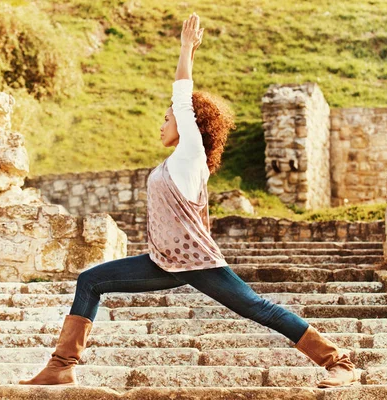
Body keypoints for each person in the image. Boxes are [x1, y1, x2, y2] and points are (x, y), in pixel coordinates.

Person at [19, 12, 359, 388]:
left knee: (258, 308)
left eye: (167, 118)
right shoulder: (176, 162)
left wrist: (185, 50)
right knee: (90, 281)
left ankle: (338, 361)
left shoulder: (190, 154)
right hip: (164, 262)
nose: (162, 123)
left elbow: (182, 97)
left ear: (188, 123)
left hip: (196, 261)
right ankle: (62, 364)